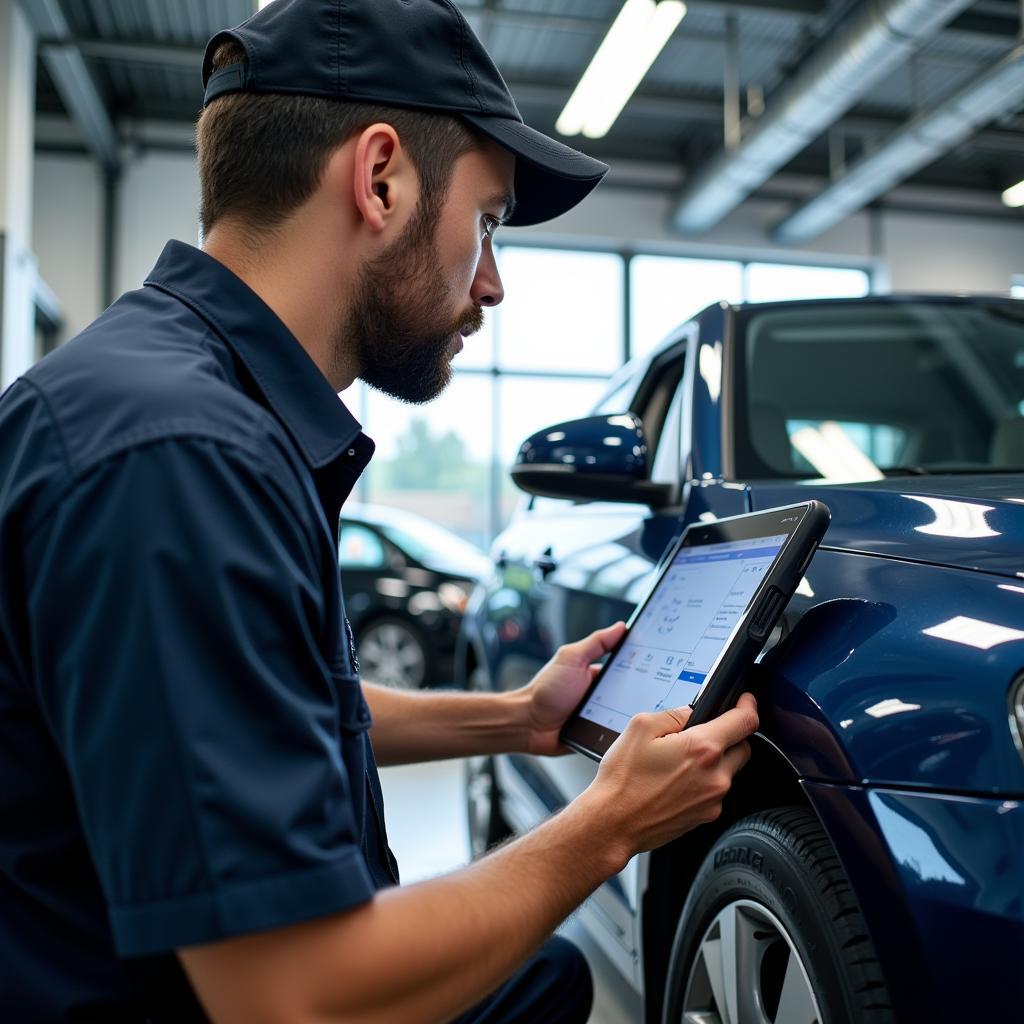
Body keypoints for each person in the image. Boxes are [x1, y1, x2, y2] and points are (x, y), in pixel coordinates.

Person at [0, 1, 759, 1021]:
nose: (490, 284)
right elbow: (291, 996)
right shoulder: (181, 458)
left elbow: (261, 707)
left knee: (543, 982)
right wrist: (608, 824)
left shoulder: (182, 403)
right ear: (380, 178)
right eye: (486, 222)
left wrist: (520, 719)